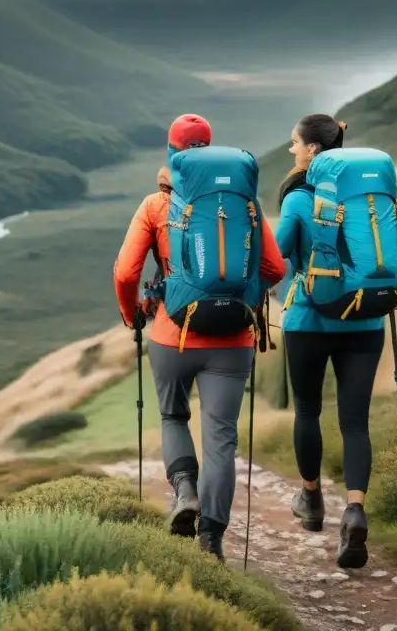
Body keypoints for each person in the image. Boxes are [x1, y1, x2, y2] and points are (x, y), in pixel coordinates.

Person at [113, 113, 287, 562]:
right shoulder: (244, 201)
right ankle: (211, 540)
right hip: (233, 340)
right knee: (221, 440)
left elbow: (126, 272)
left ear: (172, 154)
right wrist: (238, 296)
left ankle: (184, 490)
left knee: (173, 416)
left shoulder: (156, 206)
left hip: (174, 336)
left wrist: (133, 313)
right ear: (211, 146)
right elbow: (274, 269)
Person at [274, 113, 384, 570]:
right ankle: (355, 511)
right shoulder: (368, 199)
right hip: (365, 322)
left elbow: (276, 258)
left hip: (308, 320)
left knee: (307, 410)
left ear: (314, 151)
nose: (291, 150)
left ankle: (313, 500)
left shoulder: (299, 200)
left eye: (296, 143)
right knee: (355, 423)